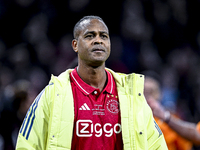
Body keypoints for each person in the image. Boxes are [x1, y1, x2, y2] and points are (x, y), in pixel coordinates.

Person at [16, 16, 168, 150]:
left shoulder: (131, 95)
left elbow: (156, 144)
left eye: (104, 36)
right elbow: (27, 145)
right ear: (75, 45)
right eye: (90, 35)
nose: (98, 40)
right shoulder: (53, 94)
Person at [143, 70, 200, 149]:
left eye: (151, 92)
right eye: (143, 92)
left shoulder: (172, 120)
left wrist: (165, 117)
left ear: (160, 94)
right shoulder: (128, 118)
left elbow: (195, 137)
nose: (147, 97)